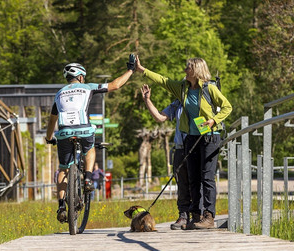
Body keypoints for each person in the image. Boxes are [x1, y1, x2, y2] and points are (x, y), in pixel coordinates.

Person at [136, 55, 232, 230]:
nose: (185, 70)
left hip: (209, 136)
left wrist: (213, 121)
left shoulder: (209, 89)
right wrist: (142, 70)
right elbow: (163, 80)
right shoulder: (182, 88)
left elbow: (227, 107)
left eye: (188, 67)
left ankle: (209, 216)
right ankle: (195, 217)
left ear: (196, 70)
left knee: (207, 177)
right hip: (192, 137)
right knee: (193, 178)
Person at [46, 57, 135, 223]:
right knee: (90, 148)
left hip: (64, 133)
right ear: (80, 77)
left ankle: (60, 206)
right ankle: (87, 179)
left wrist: (48, 138)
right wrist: (130, 70)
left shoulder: (59, 94)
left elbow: (52, 121)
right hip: (84, 129)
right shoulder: (88, 87)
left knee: (63, 169)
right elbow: (115, 85)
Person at [140, 84, 190, 230]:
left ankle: (197, 216)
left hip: (196, 147)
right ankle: (183, 215)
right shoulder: (178, 102)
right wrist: (147, 100)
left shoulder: (202, 99)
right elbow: (160, 117)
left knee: (197, 183)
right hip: (180, 148)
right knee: (182, 184)